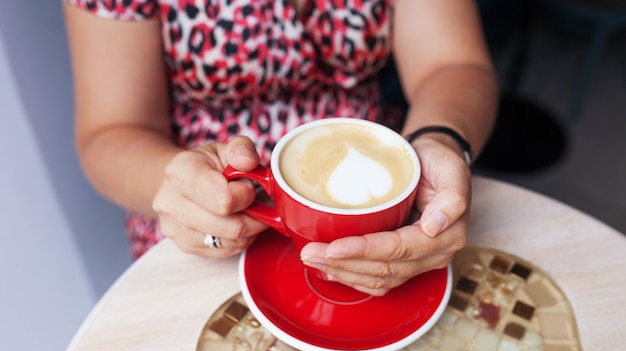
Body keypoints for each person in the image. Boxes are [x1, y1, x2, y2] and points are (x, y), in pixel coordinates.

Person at [63, 0, 498, 296]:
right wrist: (188, 188)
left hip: (380, 186)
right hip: (201, 219)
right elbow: (112, 131)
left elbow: (453, 65)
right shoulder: (197, 204)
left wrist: (438, 140)